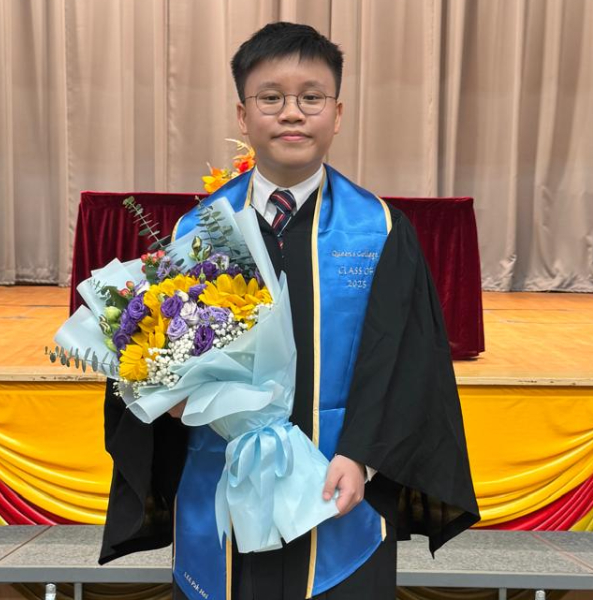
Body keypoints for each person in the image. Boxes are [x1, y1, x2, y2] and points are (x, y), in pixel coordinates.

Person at [99, 21, 480, 600]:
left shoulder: (377, 230)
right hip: (222, 490)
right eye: (271, 98)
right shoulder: (200, 230)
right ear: (242, 115)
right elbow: (150, 347)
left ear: (338, 113)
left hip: (339, 485)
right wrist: (163, 395)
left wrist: (361, 456)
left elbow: (404, 361)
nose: (292, 113)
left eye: (312, 98)